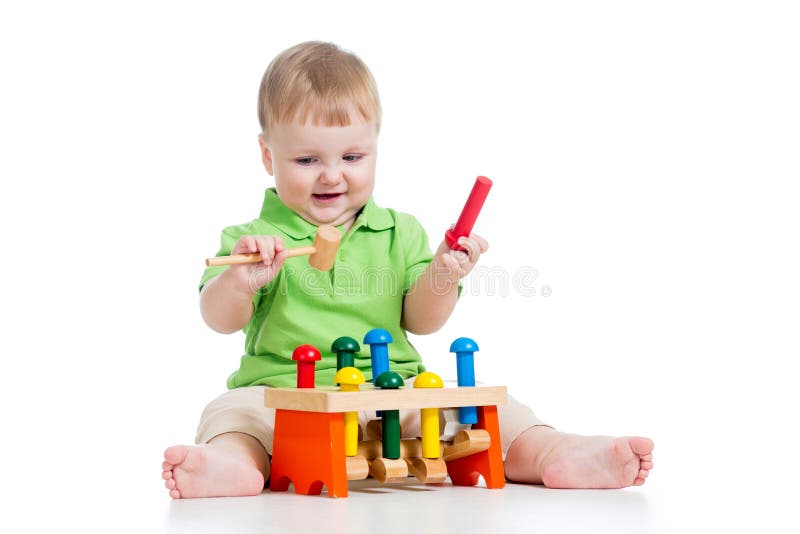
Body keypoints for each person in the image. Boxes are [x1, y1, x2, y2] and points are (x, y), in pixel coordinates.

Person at [162, 41, 653, 499]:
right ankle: (232, 464)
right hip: (286, 396)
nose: (332, 174)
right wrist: (240, 280)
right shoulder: (251, 241)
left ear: (375, 149)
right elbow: (218, 318)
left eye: (352, 156)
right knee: (232, 415)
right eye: (307, 159)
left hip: (390, 389)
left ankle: (552, 451)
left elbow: (423, 320)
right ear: (268, 155)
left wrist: (443, 273)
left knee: (492, 410)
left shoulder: (400, 232)